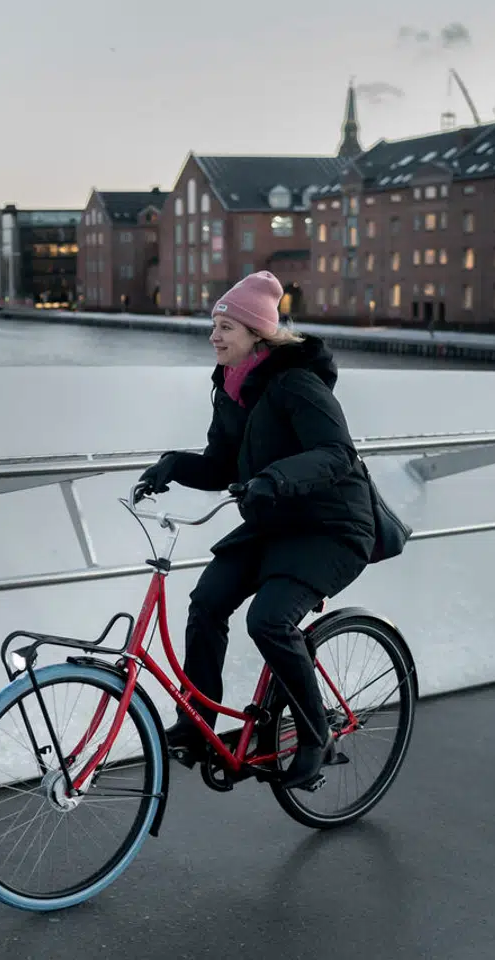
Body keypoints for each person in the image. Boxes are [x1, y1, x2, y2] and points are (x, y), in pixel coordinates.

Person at [134, 271, 376, 791]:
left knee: (268, 620)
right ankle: (197, 725)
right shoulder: (231, 387)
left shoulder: (296, 383)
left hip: (331, 527)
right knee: (207, 603)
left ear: (257, 334)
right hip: (273, 521)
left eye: (226, 327)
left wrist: (274, 478)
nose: (214, 337)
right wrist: (174, 465)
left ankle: (315, 735)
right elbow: (222, 464)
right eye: (213, 326)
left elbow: (337, 454)